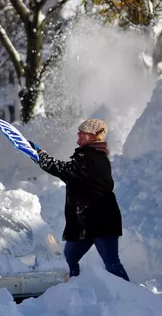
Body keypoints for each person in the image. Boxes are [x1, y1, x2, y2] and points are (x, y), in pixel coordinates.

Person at [28, 119, 130, 281]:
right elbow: (70, 175)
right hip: (84, 223)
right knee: (67, 262)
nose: (78, 135)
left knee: (112, 264)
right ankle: (73, 293)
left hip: (101, 222)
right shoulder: (88, 157)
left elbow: (65, 171)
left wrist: (39, 156)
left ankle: (130, 298)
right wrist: (39, 155)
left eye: (83, 132)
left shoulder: (93, 158)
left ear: (94, 136)